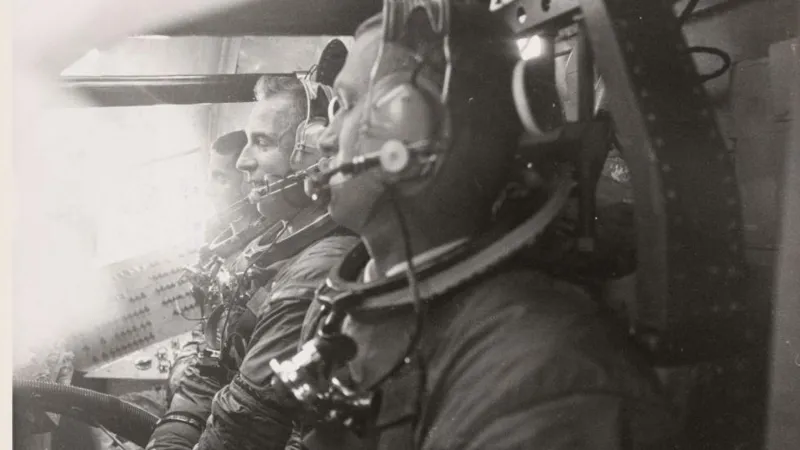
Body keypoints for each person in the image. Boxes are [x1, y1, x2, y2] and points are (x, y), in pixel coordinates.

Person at [283, 6, 679, 449]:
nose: (325, 137)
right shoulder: (353, 297)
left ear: (415, 132)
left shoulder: (543, 374)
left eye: (349, 104)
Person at [147, 68, 359, 450]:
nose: (243, 162)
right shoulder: (270, 237)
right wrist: (170, 440)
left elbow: (243, 423)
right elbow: (209, 368)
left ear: (312, 155)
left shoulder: (323, 263)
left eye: (261, 143)